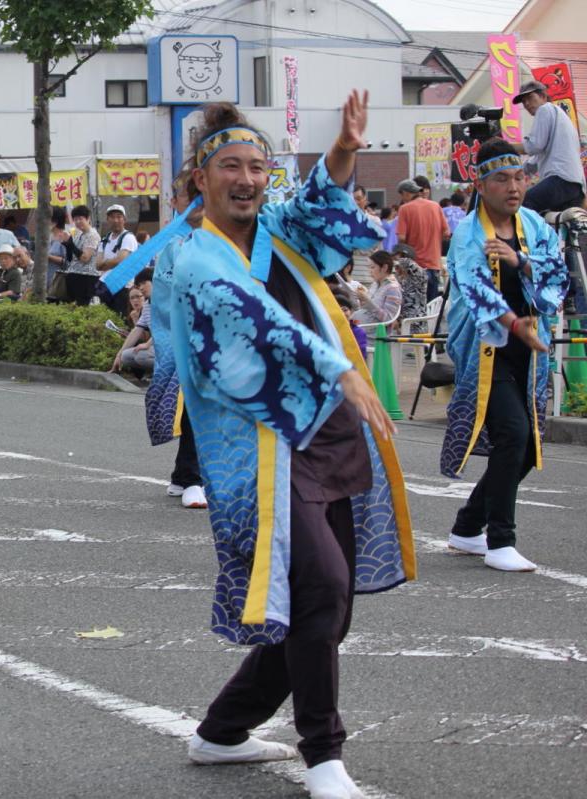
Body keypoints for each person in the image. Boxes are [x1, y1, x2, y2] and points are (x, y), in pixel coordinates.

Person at [170, 93, 414, 799]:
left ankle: (221, 728)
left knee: (326, 608)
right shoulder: (194, 258)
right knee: (323, 586)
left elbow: (321, 210)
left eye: (257, 167)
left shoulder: (277, 228)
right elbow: (248, 318)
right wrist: (339, 368)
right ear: (200, 179)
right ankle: (323, 754)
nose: (246, 179)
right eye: (230, 167)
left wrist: (342, 152)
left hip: (326, 433)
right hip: (258, 449)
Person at [440, 138, 568, 571]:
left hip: (529, 356)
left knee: (527, 446)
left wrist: (521, 261)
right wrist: (515, 325)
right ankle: (500, 541)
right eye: (502, 179)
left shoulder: (533, 223)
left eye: (520, 177)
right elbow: (475, 292)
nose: (514, 187)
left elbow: (558, 274)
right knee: (513, 433)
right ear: (480, 183)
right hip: (485, 351)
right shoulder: (468, 233)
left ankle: (467, 526)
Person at [149, 172, 208, 510]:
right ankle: (191, 476)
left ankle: (186, 475)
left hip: (230, 335)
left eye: (180, 195)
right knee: (196, 405)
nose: (175, 201)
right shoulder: (177, 243)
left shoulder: (234, 237)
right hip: (193, 336)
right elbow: (166, 296)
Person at [513, 80, 587, 213]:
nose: (527, 104)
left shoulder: (545, 109)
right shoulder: (559, 116)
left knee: (522, 206)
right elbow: (535, 160)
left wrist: (505, 147)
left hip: (560, 179)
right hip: (575, 185)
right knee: (560, 228)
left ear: (543, 96)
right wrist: (518, 171)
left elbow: (534, 146)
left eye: (530, 98)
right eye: (524, 102)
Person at [396, 178, 450, 302]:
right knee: (431, 307)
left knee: (416, 307)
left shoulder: (405, 209)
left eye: (402, 196)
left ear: (406, 193)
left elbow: (401, 238)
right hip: (434, 264)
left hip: (415, 266)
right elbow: (446, 233)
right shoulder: (435, 206)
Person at [110, 267, 155, 376]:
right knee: (125, 356)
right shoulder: (147, 305)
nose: (141, 288)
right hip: (158, 345)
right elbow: (137, 330)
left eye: (144, 283)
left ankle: (170, 374)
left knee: (141, 356)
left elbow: (168, 329)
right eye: (139, 285)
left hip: (173, 345)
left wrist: (147, 344)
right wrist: (118, 355)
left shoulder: (166, 301)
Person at [96, 203, 140, 314]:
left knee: (121, 319)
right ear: (107, 219)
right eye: (112, 217)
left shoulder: (128, 237)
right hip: (105, 285)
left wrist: (104, 263)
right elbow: (97, 265)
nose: (116, 220)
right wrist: (111, 262)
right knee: (107, 318)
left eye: (119, 217)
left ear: (124, 219)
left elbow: (121, 260)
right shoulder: (104, 239)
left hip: (123, 285)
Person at [63, 204, 101, 305]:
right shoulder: (77, 234)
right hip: (74, 275)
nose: (78, 222)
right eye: (75, 219)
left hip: (86, 278)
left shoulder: (92, 235)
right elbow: (70, 258)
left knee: (83, 307)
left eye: (80, 219)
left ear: (88, 218)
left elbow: (85, 258)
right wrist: (67, 245)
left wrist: (71, 246)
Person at [351, 250, 402, 326]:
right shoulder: (375, 284)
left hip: (373, 330)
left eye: (372, 267)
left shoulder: (392, 288)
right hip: (361, 325)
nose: (369, 271)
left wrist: (367, 301)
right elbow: (366, 308)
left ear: (384, 267)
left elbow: (389, 319)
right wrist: (360, 298)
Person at [393, 243, 429, 331]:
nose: (396, 267)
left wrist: (393, 261)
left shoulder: (419, 275)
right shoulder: (399, 278)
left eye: (395, 258)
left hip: (415, 322)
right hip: (401, 320)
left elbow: (409, 264)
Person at [335, 294, 368, 359]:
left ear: (351, 311)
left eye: (345, 310)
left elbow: (361, 354)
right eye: (338, 310)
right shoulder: (326, 329)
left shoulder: (358, 332)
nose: (342, 313)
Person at [46, 208, 69, 291]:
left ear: (54, 222)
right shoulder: (48, 237)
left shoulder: (65, 237)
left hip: (58, 283)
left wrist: (49, 257)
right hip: (46, 281)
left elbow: (67, 262)